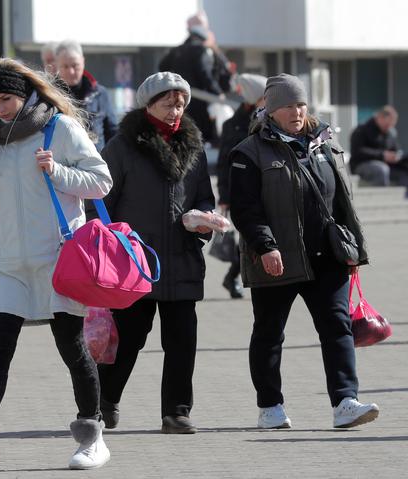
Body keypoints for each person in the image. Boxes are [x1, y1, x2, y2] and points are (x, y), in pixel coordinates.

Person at [0, 58, 113, 473]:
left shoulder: (59, 128)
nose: (0, 108)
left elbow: (101, 181)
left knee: (71, 349)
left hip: (58, 259)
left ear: (26, 93)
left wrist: (59, 172)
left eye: (7, 99)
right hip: (8, 262)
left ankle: (93, 435)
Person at [229, 73, 380, 429]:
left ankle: (345, 402)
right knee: (269, 333)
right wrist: (265, 246)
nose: (296, 111)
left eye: (300, 104)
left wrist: (352, 248)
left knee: (337, 328)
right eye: (286, 105)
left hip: (327, 257)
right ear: (270, 109)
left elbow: (342, 201)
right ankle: (270, 406)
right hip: (276, 258)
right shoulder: (249, 152)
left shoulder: (326, 144)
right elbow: (245, 209)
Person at [95, 72, 215, 434]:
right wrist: (112, 246)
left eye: (180, 103)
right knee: (129, 337)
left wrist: (203, 220)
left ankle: (176, 411)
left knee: (182, 340)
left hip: (181, 258)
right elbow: (99, 200)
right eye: (168, 102)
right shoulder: (122, 146)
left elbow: (203, 196)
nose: (175, 110)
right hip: (134, 262)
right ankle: (104, 399)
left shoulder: (194, 147)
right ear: (149, 103)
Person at [216, 73, 267, 299]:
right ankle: (236, 275)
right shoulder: (233, 125)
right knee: (249, 236)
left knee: (259, 236)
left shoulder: (270, 118)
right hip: (240, 191)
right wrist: (224, 195)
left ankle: (234, 275)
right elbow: (224, 162)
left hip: (266, 188)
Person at [159, 11, 233, 144]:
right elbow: (205, 75)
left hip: (180, 102)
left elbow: (162, 67)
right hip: (200, 104)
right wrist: (218, 92)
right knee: (199, 137)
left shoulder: (178, 50)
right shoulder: (200, 50)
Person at [54, 40, 117, 151]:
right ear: (57, 66)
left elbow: (112, 131)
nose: (71, 71)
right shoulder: (49, 94)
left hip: (97, 160)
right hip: (63, 163)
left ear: (83, 62)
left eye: (75, 65)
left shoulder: (99, 93)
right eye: (65, 66)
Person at [350, 105, 408, 197]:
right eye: (387, 124)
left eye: (391, 125)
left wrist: (396, 156)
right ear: (380, 118)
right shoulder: (362, 130)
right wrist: (382, 155)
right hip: (362, 165)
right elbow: (357, 151)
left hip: (387, 165)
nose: (388, 127)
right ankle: (380, 200)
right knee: (381, 170)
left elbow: (396, 150)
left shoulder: (389, 133)